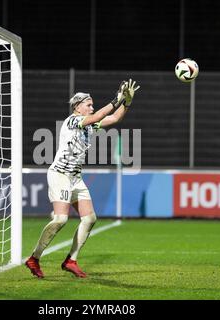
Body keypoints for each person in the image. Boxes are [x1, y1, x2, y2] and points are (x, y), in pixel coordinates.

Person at [25, 79, 140, 278]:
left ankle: (71, 260)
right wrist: (116, 99)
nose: (92, 107)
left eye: (92, 104)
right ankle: (34, 258)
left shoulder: (89, 125)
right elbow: (98, 115)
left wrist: (126, 102)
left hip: (75, 178)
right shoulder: (72, 120)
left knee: (90, 218)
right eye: (88, 104)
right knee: (60, 219)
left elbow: (114, 119)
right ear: (77, 107)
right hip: (60, 174)